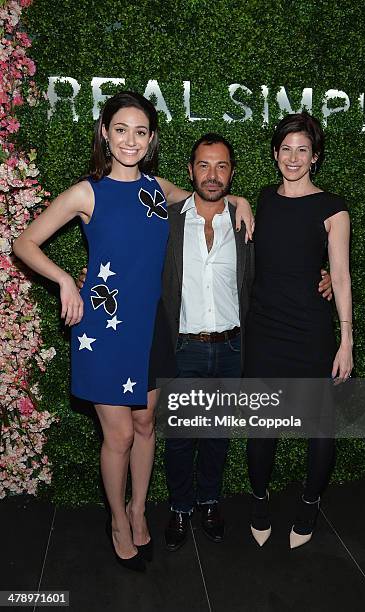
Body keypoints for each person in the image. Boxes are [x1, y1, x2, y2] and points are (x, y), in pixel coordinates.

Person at [12, 92, 254, 572]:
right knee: (119, 435)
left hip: (152, 327)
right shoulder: (87, 192)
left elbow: (210, 195)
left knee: (146, 426)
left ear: (151, 139)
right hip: (102, 332)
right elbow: (24, 242)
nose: (130, 140)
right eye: (120, 129)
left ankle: (138, 509)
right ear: (105, 132)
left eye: (140, 131)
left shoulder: (157, 188)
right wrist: (64, 279)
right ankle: (117, 522)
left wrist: (242, 198)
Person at [159, 133, 333, 552]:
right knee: (182, 436)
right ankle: (180, 507)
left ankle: (209, 502)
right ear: (191, 170)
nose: (212, 175)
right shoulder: (169, 218)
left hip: (233, 347)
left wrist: (321, 279)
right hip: (184, 346)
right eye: (203, 165)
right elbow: (146, 189)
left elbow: (280, 265)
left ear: (232, 173)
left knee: (217, 434)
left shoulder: (243, 224)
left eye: (221, 166)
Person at [244, 112, 353, 549]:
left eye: (302, 150)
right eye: (286, 149)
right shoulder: (263, 199)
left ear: (315, 157)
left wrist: (346, 339)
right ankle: (258, 499)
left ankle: (309, 503)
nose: (293, 157)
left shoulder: (333, 208)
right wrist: (239, 201)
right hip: (264, 330)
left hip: (311, 331)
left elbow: (341, 276)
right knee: (260, 426)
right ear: (275, 154)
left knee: (321, 428)